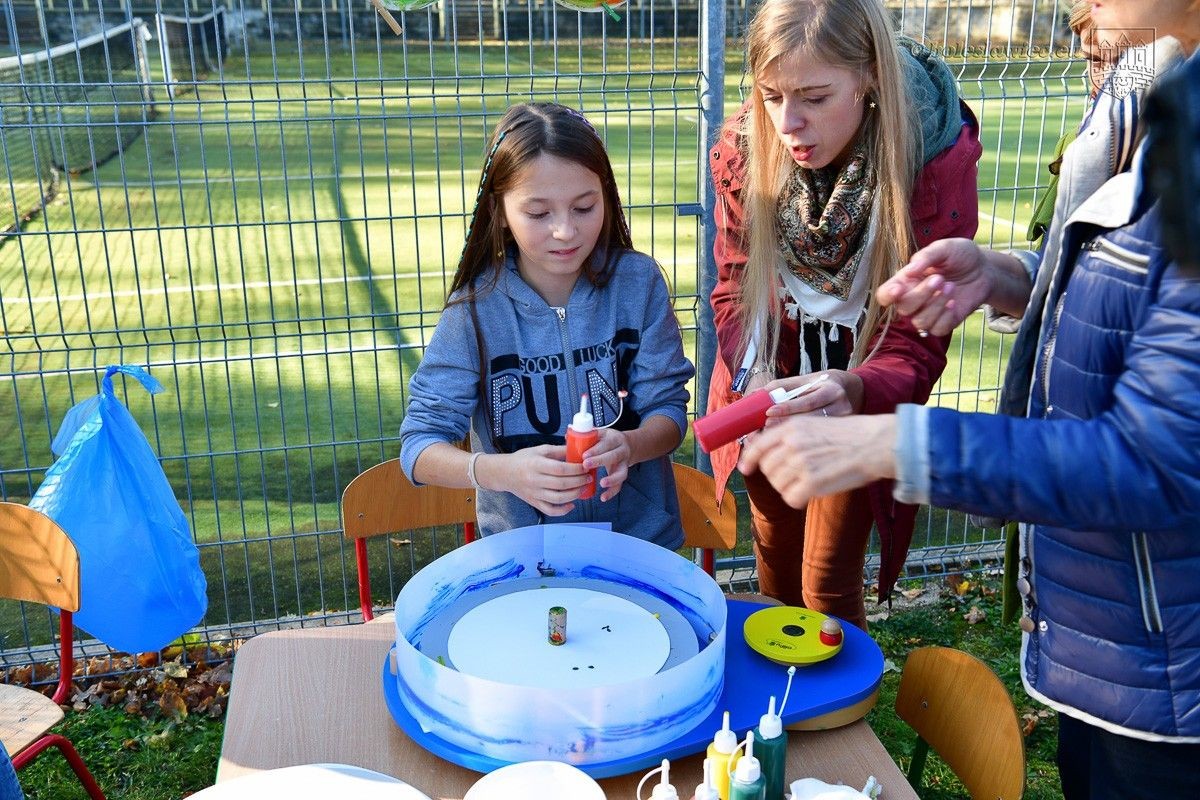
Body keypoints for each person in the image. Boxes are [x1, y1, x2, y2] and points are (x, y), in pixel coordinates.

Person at [738, 3, 1200, 795]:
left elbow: (1157, 458)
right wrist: (1013, 273)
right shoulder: (1154, 89)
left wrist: (891, 443)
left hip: (1169, 671)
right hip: (1113, 641)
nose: (1077, 8)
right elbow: (1149, 285)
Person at [706, 0, 982, 627]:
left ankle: (836, 714)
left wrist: (852, 388)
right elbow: (733, 289)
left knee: (828, 582)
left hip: (860, 397)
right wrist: (755, 392)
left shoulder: (931, 161)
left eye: (814, 96)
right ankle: (780, 711)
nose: (788, 124)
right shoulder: (745, 148)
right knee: (774, 556)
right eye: (771, 97)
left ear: (870, 81)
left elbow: (916, 342)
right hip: (767, 387)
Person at [400, 102, 694, 548]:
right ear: (499, 212)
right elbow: (419, 447)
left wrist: (630, 447)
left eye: (584, 207)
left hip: (640, 546)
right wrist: (505, 473)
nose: (565, 232)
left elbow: (669, 412)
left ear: (606, 197)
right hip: (525, 555)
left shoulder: (637, 283)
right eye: (538, 214)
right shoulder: (474, 312)